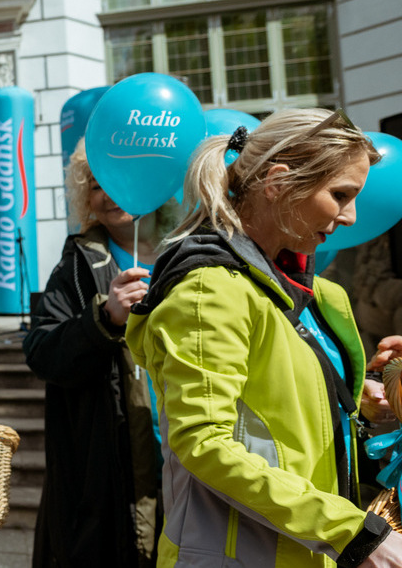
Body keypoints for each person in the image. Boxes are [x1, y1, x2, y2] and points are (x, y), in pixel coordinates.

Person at [126, 108, 402, 567]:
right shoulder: (207, 288)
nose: (351, 216)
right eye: (341, 194)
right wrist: (349, 532)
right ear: (277, 181)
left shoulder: (317, 291)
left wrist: (357, 406)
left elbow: (274, 417)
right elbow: (205, 441)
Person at [23, 139, 176, 567]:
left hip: (194, 451)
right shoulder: (77, 262)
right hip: (110, 465)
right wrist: (104, 318)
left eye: (117, 180)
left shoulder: (192, 250)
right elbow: (41, 351)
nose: (106, 194)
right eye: (95, 185)